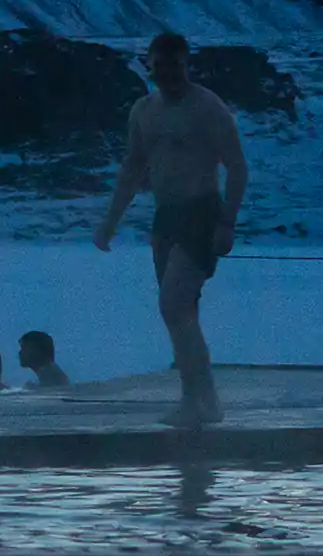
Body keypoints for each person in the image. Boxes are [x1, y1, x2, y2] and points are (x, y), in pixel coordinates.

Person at [93, 28, 249, 427]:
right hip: (166, 216)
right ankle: (192, 399)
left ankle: (207, 400)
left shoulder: (207, 108)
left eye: (176, 66)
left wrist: (227, 222)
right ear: (149, 65)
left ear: (187, 65)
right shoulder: (144, 111)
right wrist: (111, 221)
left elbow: (236, 166)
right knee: (180, 312)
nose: (168, 74)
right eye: (160, 67)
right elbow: (132, 168)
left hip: (201, 213)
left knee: (174, 304)